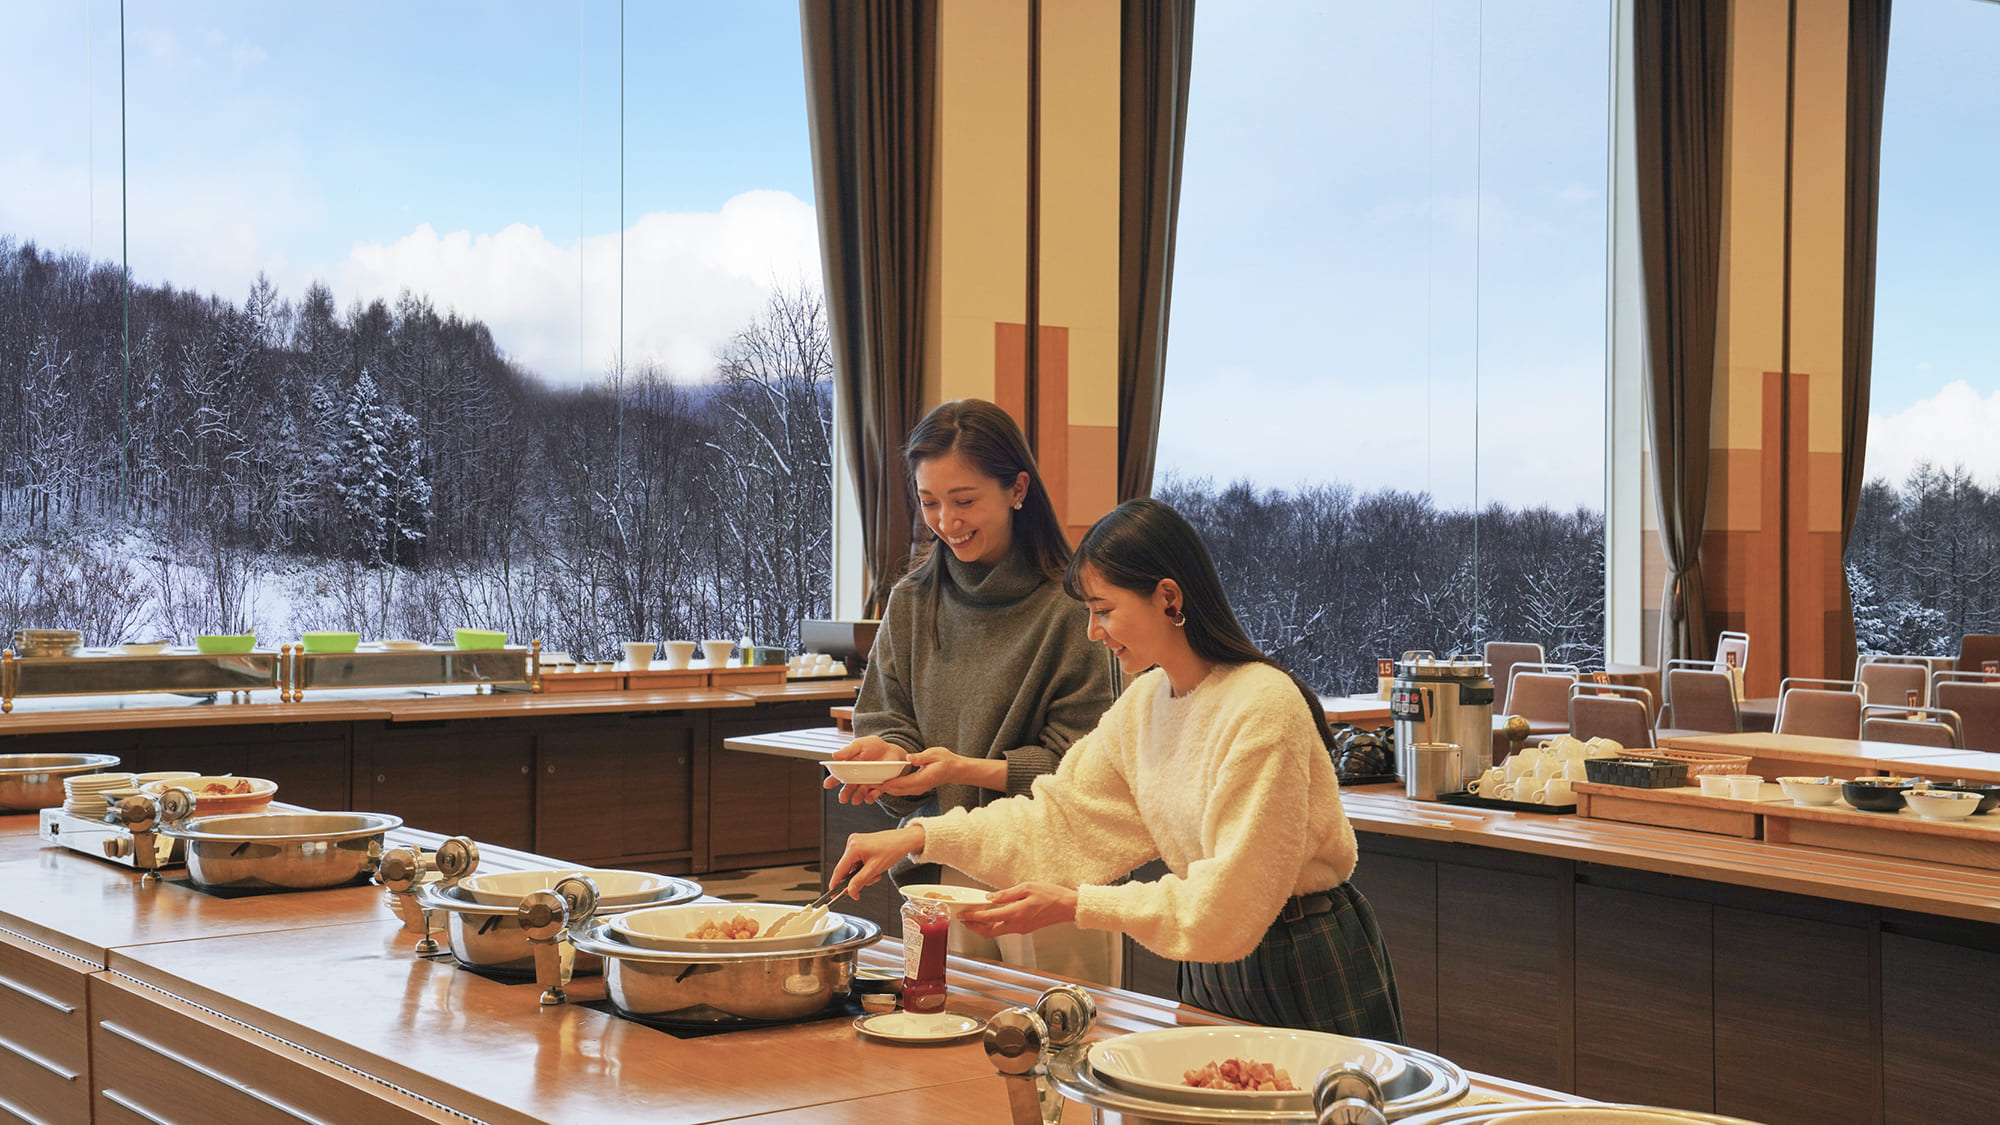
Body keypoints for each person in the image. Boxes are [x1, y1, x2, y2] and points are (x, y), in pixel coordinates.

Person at [831, 497, 1404, 1041]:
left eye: (1104, 611)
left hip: (1301, 953)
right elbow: (1057, 822)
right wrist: (918, 836)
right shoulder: (1146, 704)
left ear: (1170, 600)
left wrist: (1077, 905)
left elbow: (1228, 908)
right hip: (1212, 964)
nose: (1092, 632)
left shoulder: (1262, 706)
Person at [827, 398, 1120, 983]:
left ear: (1017, 489)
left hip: (1048, 873)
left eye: (964, 501)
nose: (945, 521)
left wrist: (960, 767)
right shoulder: (912, 601)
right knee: (935, 1033)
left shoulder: (1070, 608)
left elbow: (1084, 768)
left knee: (1055, 1044)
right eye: (929, 502)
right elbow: (885, 716)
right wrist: (889, 753)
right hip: (936, 865)